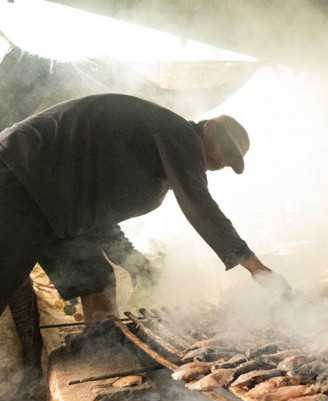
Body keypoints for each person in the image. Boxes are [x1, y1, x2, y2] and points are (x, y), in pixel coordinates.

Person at [0, 93, 291, 315]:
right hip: (20, 178)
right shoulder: (181, 134)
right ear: (209, 129)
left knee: (97, 280)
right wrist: (255, 266)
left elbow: (96, 213)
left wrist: (130, 258)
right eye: (226, 151)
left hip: (55, 206)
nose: (224, 163)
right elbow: (199, 204)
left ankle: (99, 348)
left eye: (232, 161)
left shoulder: (162, 156)